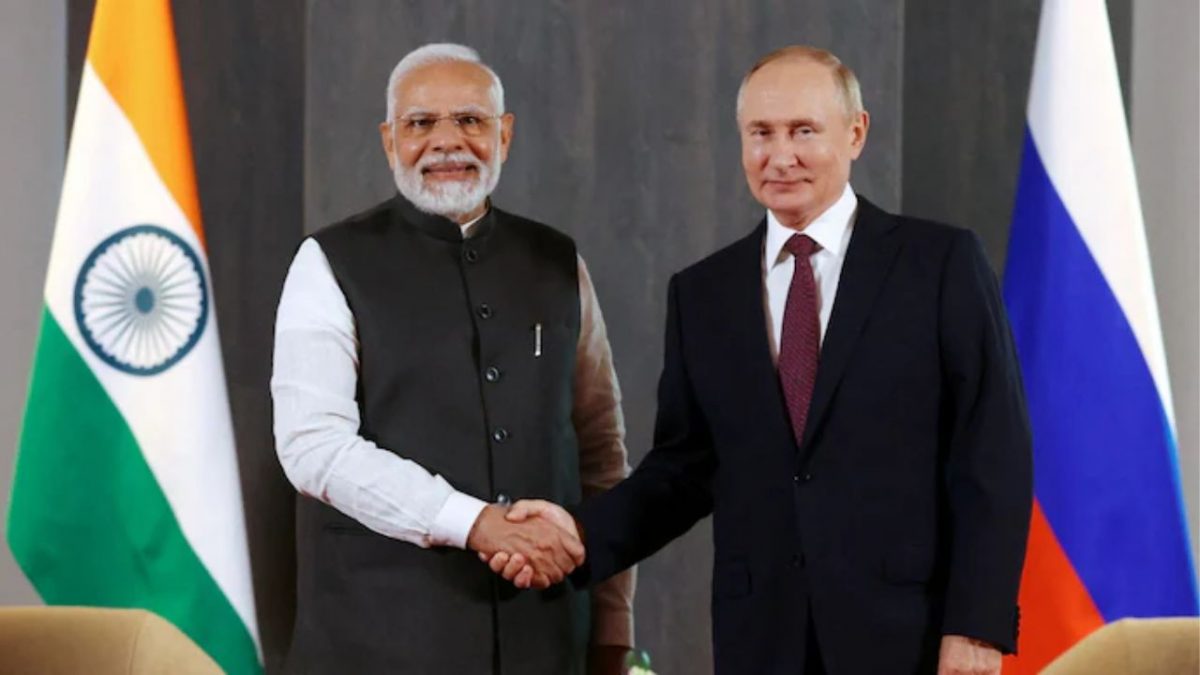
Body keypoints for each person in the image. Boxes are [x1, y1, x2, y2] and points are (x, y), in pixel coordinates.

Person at [489, 45, 1032, 675]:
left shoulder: (939, 265)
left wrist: (977, 628)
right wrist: (581, 536)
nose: (781, 156)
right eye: (761, 133)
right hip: (762, 639)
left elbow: (992, 455)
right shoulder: (702, 293)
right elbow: (684, 469)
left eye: (804, 131)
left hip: (909, 637)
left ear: (855, 133)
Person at [271, 43, 634, 674]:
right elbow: (313, 447)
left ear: (505, 134)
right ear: (389, 140)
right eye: (420, 123)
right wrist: (475, 523)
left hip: (547, 645)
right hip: (377, 645)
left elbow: (599, 453)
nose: (446, 141)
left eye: (470, 120)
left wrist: (611, 628)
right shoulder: (327, 262)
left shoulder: (557, 261)